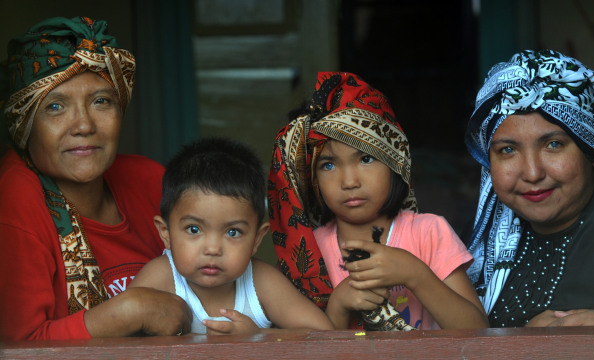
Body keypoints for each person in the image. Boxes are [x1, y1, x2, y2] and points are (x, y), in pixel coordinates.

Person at [0, 16, 191, 341]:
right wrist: (130, 310)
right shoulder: (13, 199)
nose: (84, 125)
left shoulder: (148, 179)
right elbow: (17, 346)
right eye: (56, 107)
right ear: (24, 124)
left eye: (101, 101)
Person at [268, 72, 488, 330]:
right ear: (312, 179)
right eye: (328, 165)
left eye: (365, 159)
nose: (349, 181)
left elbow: (477, 331)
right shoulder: (307, 254)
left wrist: (415, 274)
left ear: (395, 160)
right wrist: (337, 307)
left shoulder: (429, 233)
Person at [465, 49, 594, 327]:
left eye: (553, 144)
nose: (532, 173)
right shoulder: (480, 238)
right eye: (508, 150)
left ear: (589, 149)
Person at [130, 137, 334, 334]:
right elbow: (119, 339)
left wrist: (258, 336)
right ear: (165, 233)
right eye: (194, 229)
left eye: (232, 232)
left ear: (256, 239)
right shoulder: (161, 278)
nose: (212, 249)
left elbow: (323, 334)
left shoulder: (261, 282)